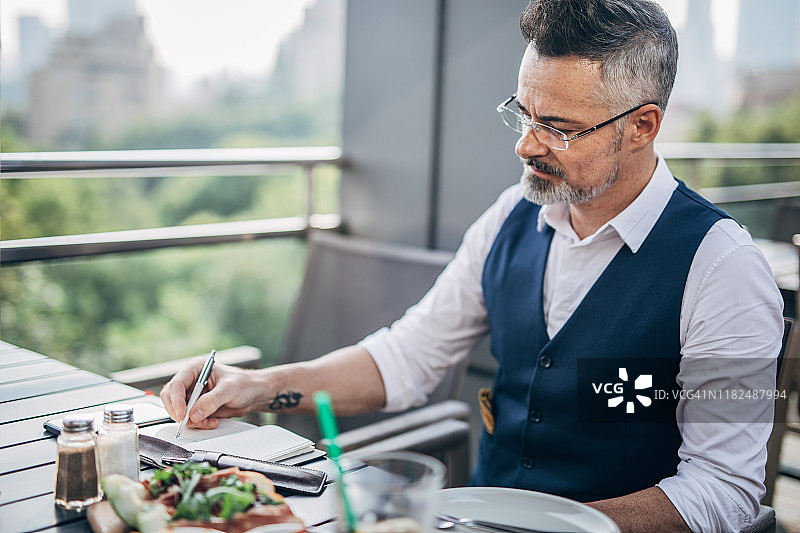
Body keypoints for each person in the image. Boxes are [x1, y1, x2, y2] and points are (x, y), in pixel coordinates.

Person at [161, 0, 784, 531]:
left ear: (643, 126)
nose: (525, 144)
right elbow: (407, 356)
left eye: (558, 128)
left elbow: (725, 490)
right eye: (524, 113)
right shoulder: (511, 216)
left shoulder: (722, 269)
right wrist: (259, 386)